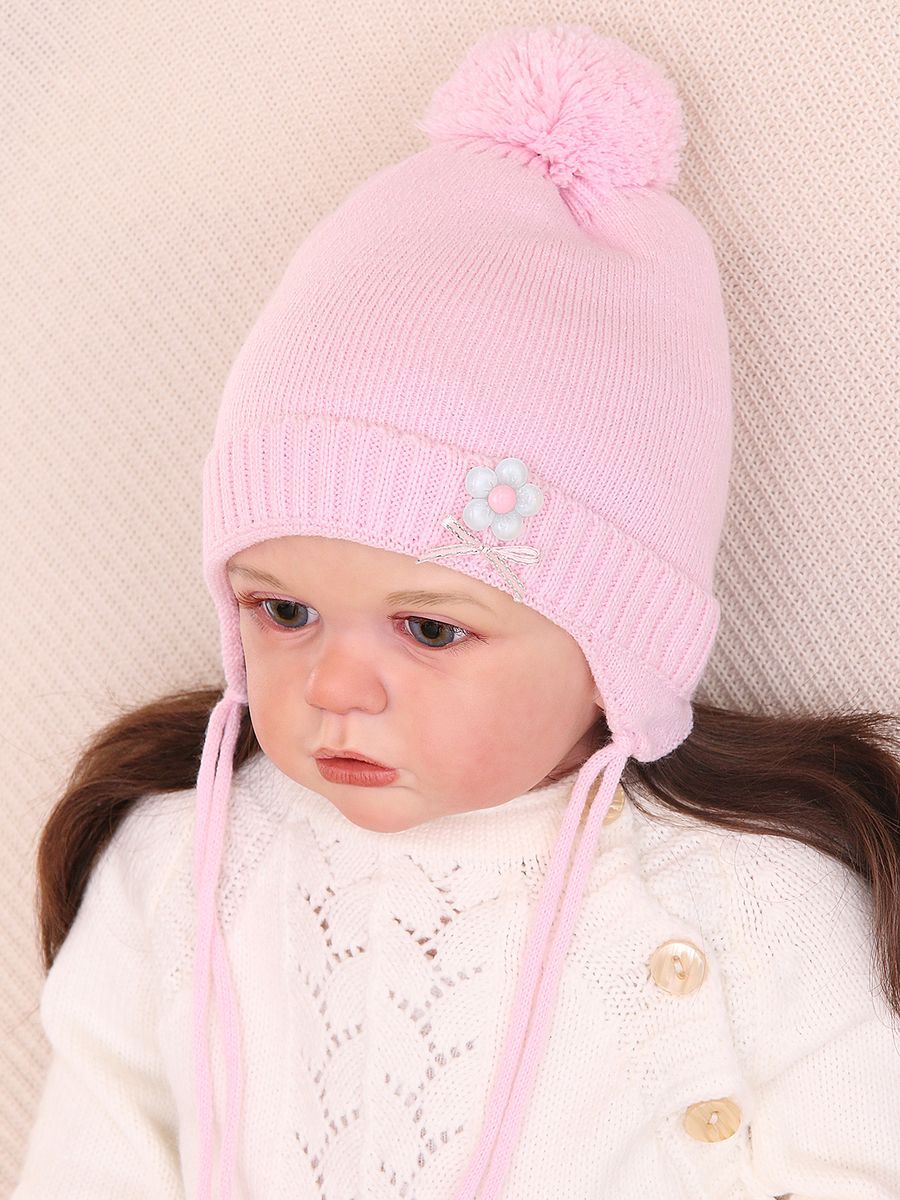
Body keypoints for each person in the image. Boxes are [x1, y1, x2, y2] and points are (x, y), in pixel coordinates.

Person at [12, 21, 900, 1200]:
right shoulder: (178, 864)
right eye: (283, 610)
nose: (333, 687)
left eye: (431, 629)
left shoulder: (752, 895)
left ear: (612, 650)